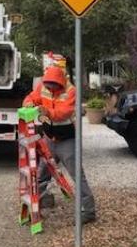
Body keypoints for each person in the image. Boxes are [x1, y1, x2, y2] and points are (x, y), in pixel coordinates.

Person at [23, 65, 96, 224]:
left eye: (52, 85)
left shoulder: (71, 91)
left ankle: (89, 211)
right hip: (49, 138)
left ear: (60, 83)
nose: (49, 87)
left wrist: (47, 112)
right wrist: (29, 103)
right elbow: (31, 97)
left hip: (67, 140)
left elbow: (65, 112)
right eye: (47, 84)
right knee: (42, 173)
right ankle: (36, 207)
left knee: (77, 174)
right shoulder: (43, 87)